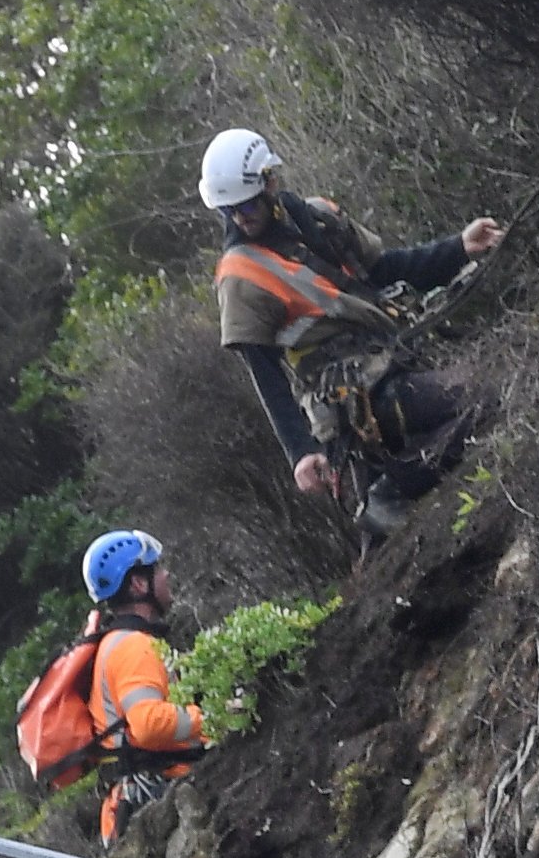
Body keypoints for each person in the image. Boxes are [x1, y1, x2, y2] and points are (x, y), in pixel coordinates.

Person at [200, 128, 506, 546]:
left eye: (247, 204)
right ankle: (393, 488)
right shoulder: (240, 274)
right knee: (486, 397)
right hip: (356, 403)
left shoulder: (319, 217)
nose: (239, 218)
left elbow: (382, 269)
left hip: (393, 365)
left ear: (271, 180)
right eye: (228, 210)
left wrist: (459, 248)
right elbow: (265, 373)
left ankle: (394, 487)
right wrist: (301, 451)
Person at [79, 528, 210, 843]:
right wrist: (212, 718)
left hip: (138, 802)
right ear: (139, 584)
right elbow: (148, 724)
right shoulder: (134, 647)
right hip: (152, 804)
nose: (166, 575)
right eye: (157, 569)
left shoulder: (120, 642)